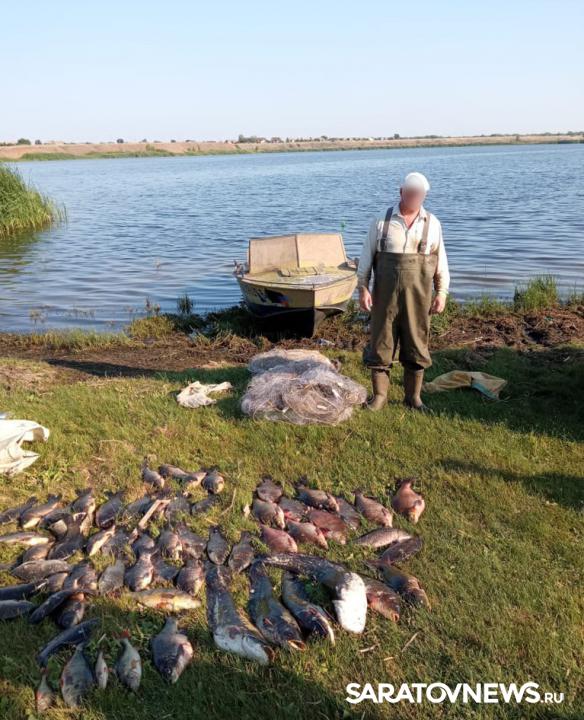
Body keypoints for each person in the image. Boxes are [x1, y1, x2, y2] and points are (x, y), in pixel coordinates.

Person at [357, 172, 450, 412]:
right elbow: (366, 259)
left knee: (417, 346)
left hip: (418, 300)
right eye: (409, 193)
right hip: (384, 299)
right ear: (401, 192)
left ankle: (413, 398)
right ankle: (379, 397)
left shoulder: (433, 224)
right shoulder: (381, 221)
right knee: (381, 345)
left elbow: (441, 263)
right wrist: (363, 288)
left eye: (418, 194)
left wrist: (441, 293)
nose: (413, 197)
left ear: (424, 195)